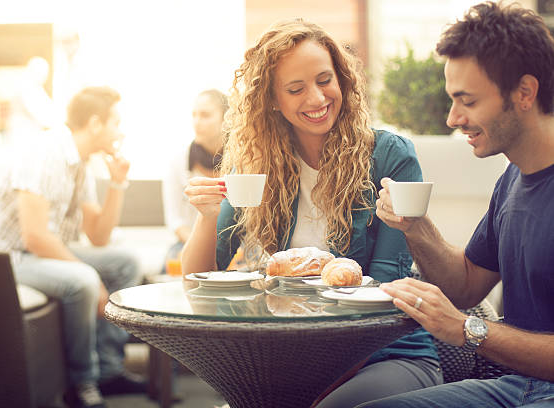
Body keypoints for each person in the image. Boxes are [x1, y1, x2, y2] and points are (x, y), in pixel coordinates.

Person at [182, 19, 443, 407]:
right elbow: (198, 281)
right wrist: (206, 217)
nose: (317, 98)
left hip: (387, 355)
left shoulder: (389, 156)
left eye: (325, 80)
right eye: (296, 88)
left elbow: (386, 288)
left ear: (342, 80)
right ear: (272, 100)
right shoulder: (256, 166)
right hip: (291, 358)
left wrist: (310, 382)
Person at [361, 2, 554, 407]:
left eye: (466, 101)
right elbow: (465, 283)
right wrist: (415, 226)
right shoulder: (513, 181)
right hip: (514, 388)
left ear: (524, 92)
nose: (452, 118)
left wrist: (469, 330)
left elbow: (465, 316)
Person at [0, 86, 146, 408]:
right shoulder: (43, 153)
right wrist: (89, 272)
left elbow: (99, 237)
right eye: (116, 122)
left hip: (32, 252)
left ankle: (108, 370)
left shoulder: (80, 163)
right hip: (0, 259)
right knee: (84, 281)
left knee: (127, 262)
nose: (122, 130)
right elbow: (35, 237)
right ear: (94, 124)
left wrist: (117, 182)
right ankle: (82, 383)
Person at [162, 89, 228, 271]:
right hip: (189, 240)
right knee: (171, 265)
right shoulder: (178, 162)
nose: (197, 122)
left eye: (205, 115)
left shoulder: (243, 159)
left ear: (226, 119)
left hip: (235, 243)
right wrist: (199, 242)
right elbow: (174, 219)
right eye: (194, 115)